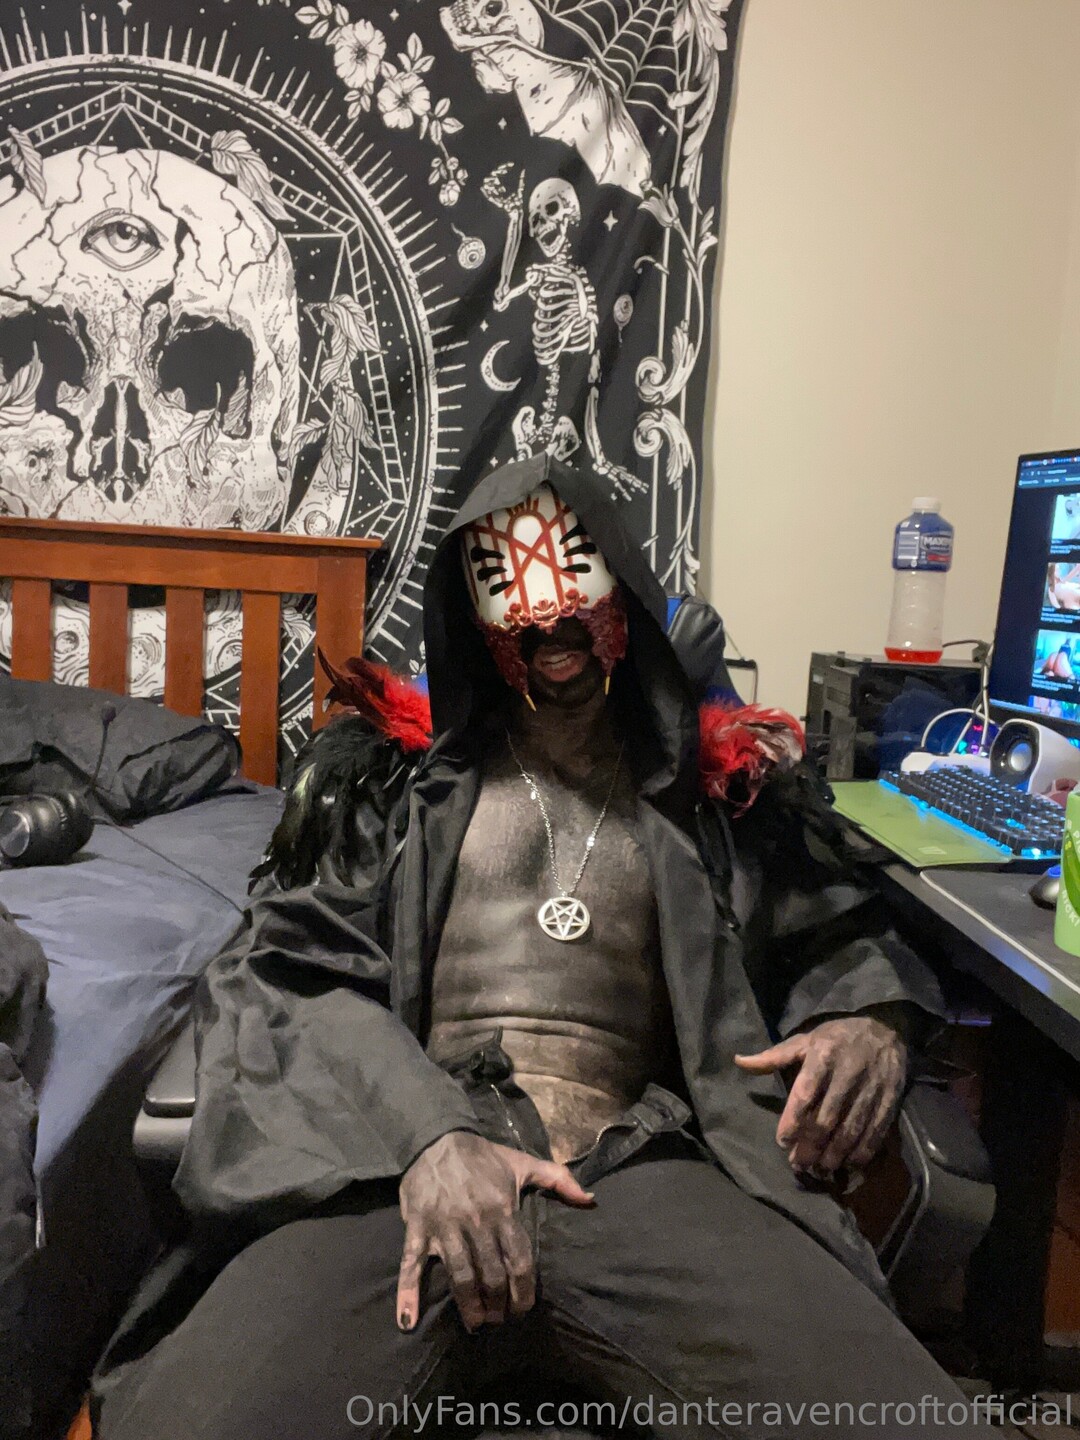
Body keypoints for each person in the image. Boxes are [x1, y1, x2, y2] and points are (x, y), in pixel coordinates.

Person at [93, 455, 995, 1439]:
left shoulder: (717, 801)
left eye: (573, 590)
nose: (549, 626)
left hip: (643, 1172)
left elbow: (838, 937)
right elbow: (290, 976)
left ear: (626, 596)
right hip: (406, 1170)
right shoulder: (393, 789)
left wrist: (867, 1022)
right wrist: (429, 1134)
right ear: (474, 620)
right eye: (509, 597)